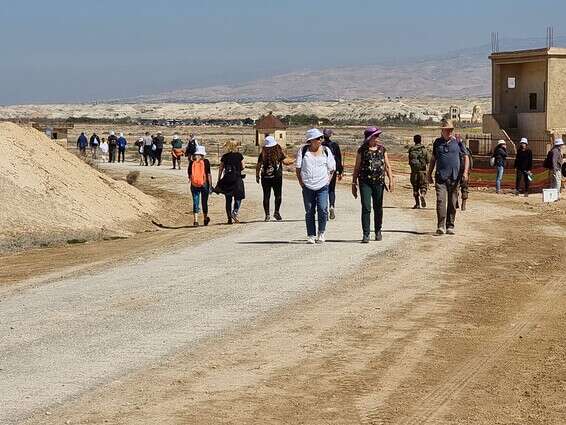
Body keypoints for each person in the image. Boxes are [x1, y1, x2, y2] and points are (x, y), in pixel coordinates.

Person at [352, 127, 394, 243]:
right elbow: (356, 168)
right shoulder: (362, 150)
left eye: (377, 136)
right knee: (366, 207)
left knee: (378, 207)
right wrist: (353, 183)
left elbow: (387, 166)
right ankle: (366, 234)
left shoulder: (382, 150)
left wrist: (391, 180)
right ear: (370, 138)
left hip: (379, 182)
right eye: (375, 136)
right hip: (365, 182)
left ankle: (378, 231)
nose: (377, 138)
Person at [427, 119, 469, 236]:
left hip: (455, 178)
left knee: (452, 202)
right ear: (442, 131)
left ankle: (450, 225)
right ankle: (440, 226)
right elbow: (433, 159)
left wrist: (465, 172)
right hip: (441, 177)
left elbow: (466, 157)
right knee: (441, 201)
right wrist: (429, 173)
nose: (449, 132)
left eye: (450, 130)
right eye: (446, 130)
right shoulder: (437, 143)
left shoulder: (458, 142)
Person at [295, 128, 336, 244]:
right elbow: (298, 169)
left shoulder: (326, 151)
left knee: (323, 209)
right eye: (318, 138)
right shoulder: (303, 151)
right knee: (309, 211)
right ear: (311, 140)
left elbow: (332, 168)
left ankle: (321, 232)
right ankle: (311, 235)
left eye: (321, 138)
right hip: (307, 186)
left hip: (322, 186)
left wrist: (328, 181)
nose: (321, 140)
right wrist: (301, 183)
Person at [255, 136, 294, 221]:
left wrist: (257, 176)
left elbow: (258, 165)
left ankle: (267, 215)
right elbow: (286, 162)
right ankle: (276, 212)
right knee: (278, 195)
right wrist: (295, 160)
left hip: (265, 177)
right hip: (277, 177)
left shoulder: (263, 154)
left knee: (266, 196)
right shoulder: (278, 152)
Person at [215, 139, 245, 224]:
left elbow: (220, 169)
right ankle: (235, 212)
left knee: (228, 200)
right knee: (238, 197)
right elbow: (243, 166)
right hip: (237, 179)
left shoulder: (225, 156)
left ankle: (229, 218)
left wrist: (219, 180)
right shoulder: (239, 155)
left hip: (227, 179)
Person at [188, 145, 213, 226]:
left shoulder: (192, 162)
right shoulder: (206, 162)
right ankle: (205, 218)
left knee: (195, 201)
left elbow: (189, 174)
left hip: (194, 184)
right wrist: (210, 185)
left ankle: (195, 220)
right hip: (204, 183)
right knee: (204, 202)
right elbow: (208, 174)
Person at [322, 129, 343, 219]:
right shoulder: (334, 145)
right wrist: (340, 171)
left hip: (322, 171)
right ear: (330, 135)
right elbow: (338, 159)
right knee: (331, 189)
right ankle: (332, 206)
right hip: (332, 170)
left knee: (323, 190)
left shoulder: (320, 145)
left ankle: (324, 209)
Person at [407, 134, 429, 209]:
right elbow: (428, 161)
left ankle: (417, 204)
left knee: (415, 187)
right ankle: (422, 194)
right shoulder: (424, 150)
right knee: (424, 186)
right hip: (422, 171)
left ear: (414, 140)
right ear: (420, 140)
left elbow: (409, 161)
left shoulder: (411, 150)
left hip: (414, 172)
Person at [456, 134, 472, 211]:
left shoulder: (454, 150)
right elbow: (470, 163)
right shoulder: (467, 151)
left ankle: (456, 203)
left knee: (455, 187)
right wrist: (468, 171)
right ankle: (463, 204)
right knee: (465, 187)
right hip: (465, 171)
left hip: (456, 172)